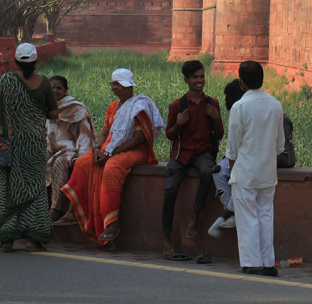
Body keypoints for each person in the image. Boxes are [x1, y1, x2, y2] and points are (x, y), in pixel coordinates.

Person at [61, 69, 164, 245]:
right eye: (113, 84)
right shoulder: (112, 106)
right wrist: (96, 148)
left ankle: (112, 223)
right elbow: (104, 132)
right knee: (82, 163)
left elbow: (139, 138)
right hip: (109, 148)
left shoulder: (138, 106)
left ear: (129, 87)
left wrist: (113, 153)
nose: (115, 88)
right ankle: (72, 211)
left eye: (119, 84)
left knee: (111, 168)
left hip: (134, 150)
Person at [209, 79, 296, 239]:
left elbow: (276, 145)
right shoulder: (245, 111)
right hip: (251, 158)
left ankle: (227, 214)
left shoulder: (271, 110)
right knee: (219, 172)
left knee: (238, 179)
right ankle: (232, 214)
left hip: (272, 159)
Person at [0, 43, 58, 252]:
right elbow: (54, 114)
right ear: (36, 61)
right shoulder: (45, 83)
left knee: (10, 189)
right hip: (34, 146)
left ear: (16, 62)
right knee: (37, 190)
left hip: (9, 145)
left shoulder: (6, 81)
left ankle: (7, 240)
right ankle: (33, 240)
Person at [225, 61, 285, 277]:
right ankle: (268, 263)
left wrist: (233, 169)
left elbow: (232, 148)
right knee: (265, 216)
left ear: (241, 82)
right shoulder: (275, 104)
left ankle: (251, 262)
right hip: (267, 172)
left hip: (245, 171)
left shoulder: (240, 107)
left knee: (247, 218)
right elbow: (279, 145)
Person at [161, 60, 223, 262]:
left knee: (207, 172)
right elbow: (170, 135)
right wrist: (179, 124)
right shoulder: (177, 106)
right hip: (181, 154)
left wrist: (216, 118)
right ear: (186, 80)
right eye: (195, 77)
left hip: (203, 153)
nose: (200, 80)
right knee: (170, 190)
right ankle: (166, 238)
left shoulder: (212, 104)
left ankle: (194, 218)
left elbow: (219, 135)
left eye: (202, 76)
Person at [47, 75, 95, 226]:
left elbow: (84, 134)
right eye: (52, 88)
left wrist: (81, 158)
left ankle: (55, 209)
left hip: (69, 151)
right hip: (50, 151)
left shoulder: (75, 108)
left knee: (60, 163)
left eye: (59, 88)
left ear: (66, 90)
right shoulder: (45, 106)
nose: (55, 91)